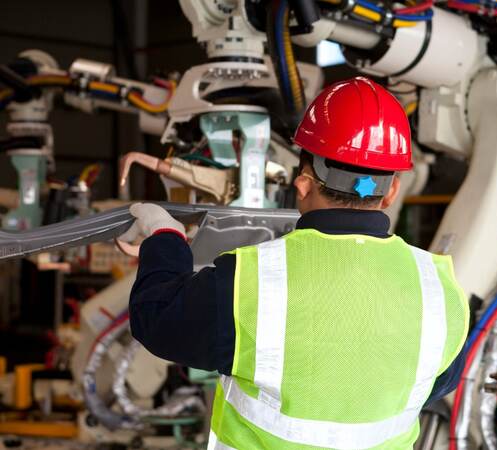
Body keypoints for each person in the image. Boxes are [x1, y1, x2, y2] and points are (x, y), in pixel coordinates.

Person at [126, 77, 469, 449]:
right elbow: (436, 384)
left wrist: (165, 236)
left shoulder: (251, 282)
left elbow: (156, 318)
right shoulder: (442, 293)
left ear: (303, 184)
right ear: (391, 193)